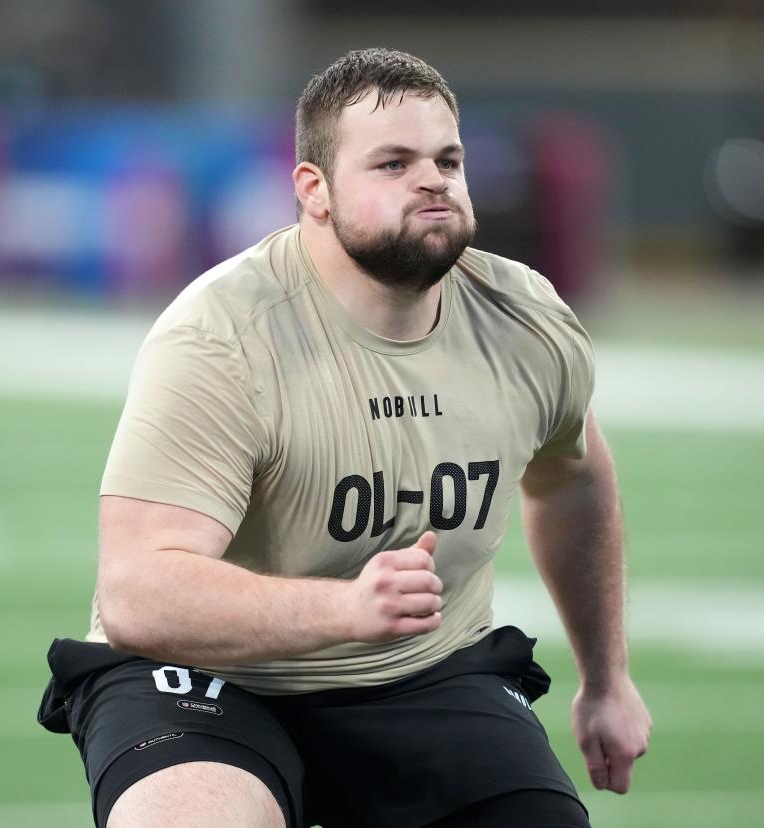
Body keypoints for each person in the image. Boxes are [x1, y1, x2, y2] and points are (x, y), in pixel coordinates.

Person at [38, 47, 651, 828]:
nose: (432, 180)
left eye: (448, 159)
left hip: (421, 673)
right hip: (203, 678)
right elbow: (137, 592)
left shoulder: (524, 318)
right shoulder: (222, 335)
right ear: (314, 191)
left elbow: (572, 475)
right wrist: (342, 610)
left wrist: (607, 678)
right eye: (392, 163)